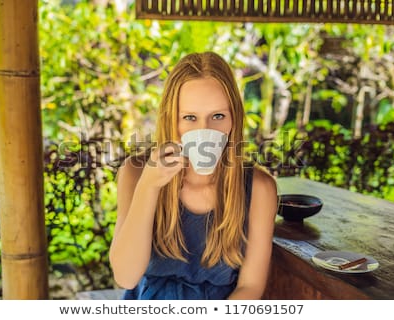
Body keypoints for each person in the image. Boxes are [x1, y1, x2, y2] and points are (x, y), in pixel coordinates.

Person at [109, 52, 278, 300]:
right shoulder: (136, 173)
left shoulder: (259, 188)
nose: (204, 130)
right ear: (171, 119)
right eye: (189, 118)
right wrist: (149, 187)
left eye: (218, 116)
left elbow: (250, 287)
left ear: (234, 118)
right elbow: (125, 276)